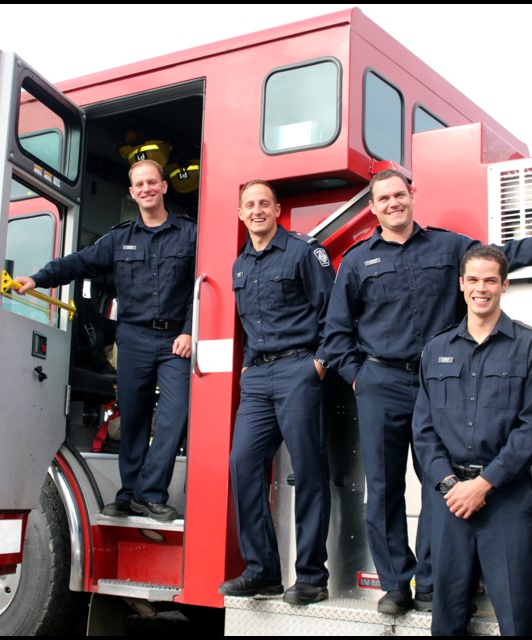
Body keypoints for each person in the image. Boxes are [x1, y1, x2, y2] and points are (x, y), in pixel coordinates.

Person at [318, 169, 532, 615]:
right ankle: (394, 583)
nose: (392, 203)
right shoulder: (356, 260)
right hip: (381, 382)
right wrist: (358, 377)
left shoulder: (450, 247)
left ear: (412, 195)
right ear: (373, 207)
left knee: (436, 481)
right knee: (384, 487)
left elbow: (505, 257)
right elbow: (336, 331)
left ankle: (430, 579)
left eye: (399, 194)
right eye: (383, 198)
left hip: (441, 379)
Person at [15, 158, 196, 522]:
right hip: (133, 340)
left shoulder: (190, 233)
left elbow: (201, 285)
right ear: (132, 192)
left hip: (176, 340)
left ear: (164, 187)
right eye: (138, 184)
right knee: (133, 420)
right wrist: (37, 278)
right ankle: (129, 495)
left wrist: (191, 330)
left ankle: (151, 493)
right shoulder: (119, 238)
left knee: (175, 418)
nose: (145, 188)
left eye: (151, 182)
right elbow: (78, 263)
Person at [412, 246, 532, 635]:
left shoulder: (529, 345)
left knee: (519, 620)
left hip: (505, 497)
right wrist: (451, 484)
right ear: (461, 284)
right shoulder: (437, 349)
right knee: (447, 619)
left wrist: (484, 484)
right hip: (450, 501)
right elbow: (423, 428)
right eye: (473, 280)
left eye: (490, 280)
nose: (481, 288)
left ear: (505, 284)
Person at [218, 180, 335, 605]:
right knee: (243, 463)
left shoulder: (304, 252)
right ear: (240, 213)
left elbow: (333, 313)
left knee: (307, 472)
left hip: (299, 369)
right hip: (259, 377)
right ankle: (263, 570)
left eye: (264, 203)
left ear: (278, 208)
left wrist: (317, 364)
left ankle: (310, 577)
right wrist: (249, 365)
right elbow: (250, 324)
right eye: (249, 204)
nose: (257, 210)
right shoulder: (240, 265)